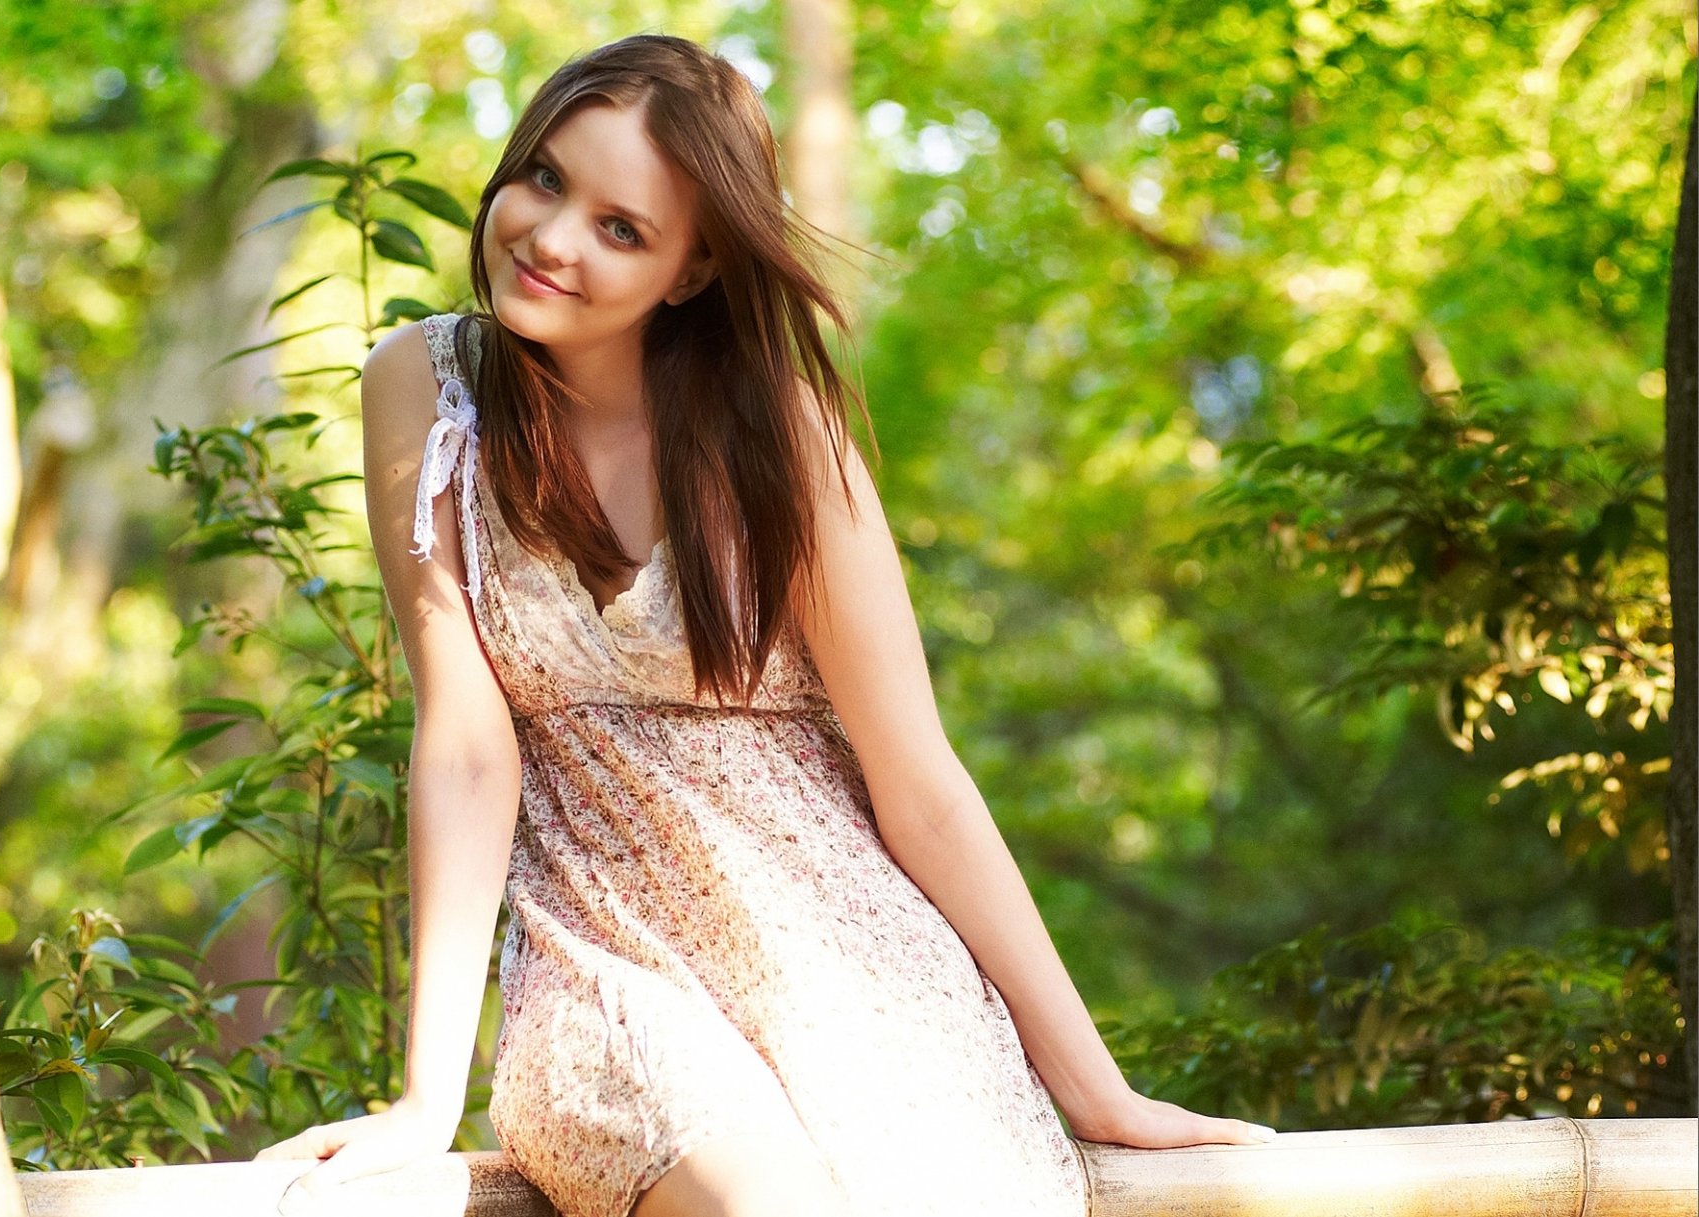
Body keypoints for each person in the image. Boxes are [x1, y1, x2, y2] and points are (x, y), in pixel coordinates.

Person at [256, 32, 1275, 1217]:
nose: (551, 236)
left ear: (691, 269)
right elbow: (469, 743)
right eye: (544, 177)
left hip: (847, 956)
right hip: (604, 963)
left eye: (621, 227)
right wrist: (425, 1098)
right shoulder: (422, 384)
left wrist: (1098, 1092)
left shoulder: (775, 427)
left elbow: (919, 777)